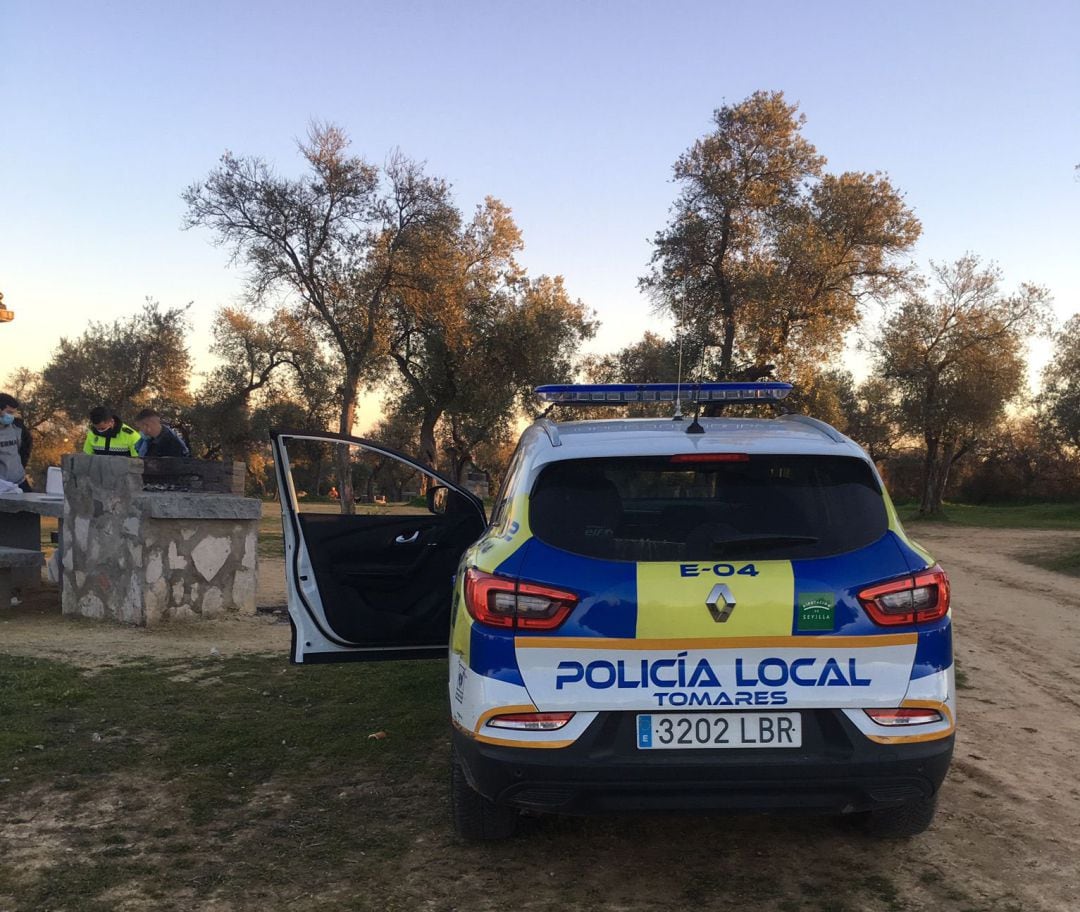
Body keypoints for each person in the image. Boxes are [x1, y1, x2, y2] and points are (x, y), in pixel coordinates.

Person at [0, 393, 33, 491]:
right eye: (9, 412)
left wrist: (21, 466)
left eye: (13, 413)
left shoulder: (18, 427)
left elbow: (26, 446)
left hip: (20, 481)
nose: (12, 416)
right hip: (3, 487)